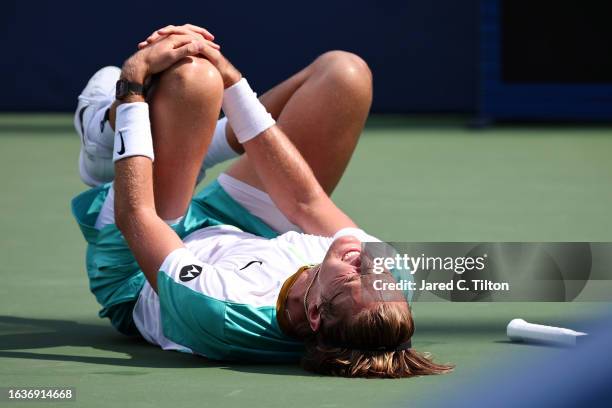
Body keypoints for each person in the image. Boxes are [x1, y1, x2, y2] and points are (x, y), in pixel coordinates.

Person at [71, 24, 452, 378]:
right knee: (343, 74)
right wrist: (230, 78)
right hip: (241, 229)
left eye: (356, 276)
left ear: (315, 313)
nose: (365, 260)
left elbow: (136, 215)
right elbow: (305, 202)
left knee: (193, 79)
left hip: (141, 262)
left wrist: (130, 90)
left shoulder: (222, 309)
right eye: (379, 274)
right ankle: (192, 147)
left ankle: (110, 131)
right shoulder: (383, 278)